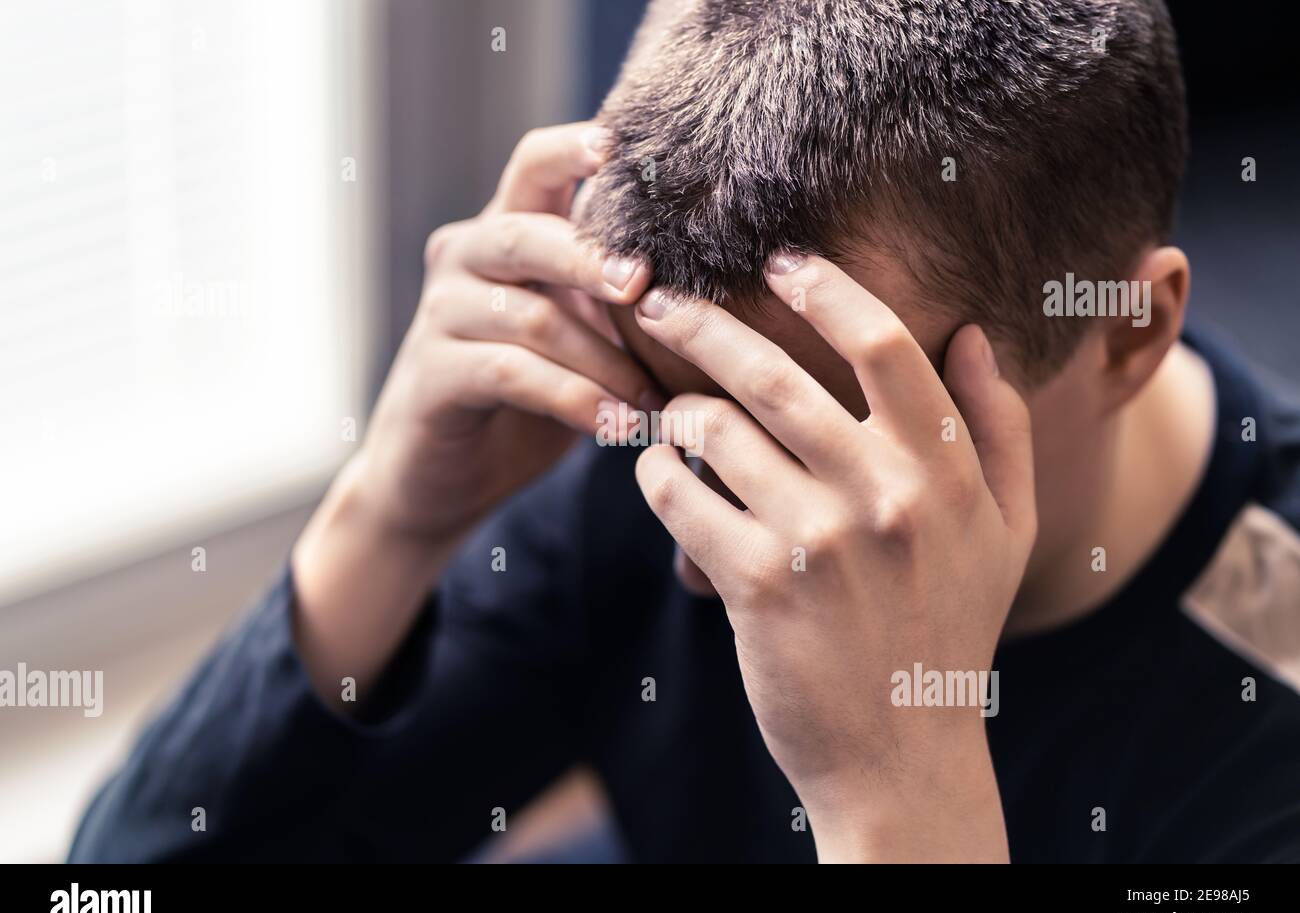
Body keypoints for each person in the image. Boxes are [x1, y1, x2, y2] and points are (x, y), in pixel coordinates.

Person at [70, 0, 1300, 863]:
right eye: (675, 406)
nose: (712, 550)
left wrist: (900, 788)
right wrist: (390, 512)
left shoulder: (1263, 719)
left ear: (1129, 332)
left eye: (812, 435)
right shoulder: (648, 451)